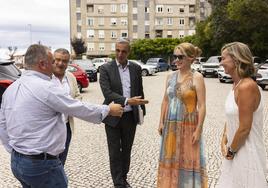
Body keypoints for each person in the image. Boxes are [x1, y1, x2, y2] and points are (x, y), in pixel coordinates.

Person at [0, 44, 123, 188]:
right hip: (42, 165)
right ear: (42, 64)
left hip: (18, 162)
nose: (55, 65)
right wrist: (107, 109)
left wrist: (16, 151)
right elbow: (76, 107)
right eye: (52, 61)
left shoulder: (12, 88)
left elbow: (2, 124)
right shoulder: (46, 87)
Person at [216, 42, 268, 188]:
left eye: (223, 58)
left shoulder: (247, 87)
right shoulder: (236, 84)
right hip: (236, 150)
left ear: (236, 60)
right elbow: (233, 115)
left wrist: (231, 151)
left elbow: (245, 127)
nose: (220, 63)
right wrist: (224, 136)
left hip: (246, 152)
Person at [99, 38, 149, 188]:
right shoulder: (105, 68)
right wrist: (127, 100)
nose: (120, 54)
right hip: (113, 116)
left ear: (129, 52)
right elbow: (107, 93)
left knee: (126, 150)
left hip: (130, 117)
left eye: (124, 51)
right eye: (118, 50)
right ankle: (118, 183)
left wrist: (141, 111)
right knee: (114, 151)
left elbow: (139, 90)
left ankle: (123, 178)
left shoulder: (135, 68)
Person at [157, 42, 208, 188]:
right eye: (175, 56)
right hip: (170, 126)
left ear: (191, 58)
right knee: (171, 158)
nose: (176, 60)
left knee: (188, 159)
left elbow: (202, 105)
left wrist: (199, 129)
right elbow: (165, 100)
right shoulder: (170, 76)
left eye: (181, 57)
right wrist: (161, 122)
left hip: (189, 126)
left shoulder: (197, 77)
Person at [51, 48, 81, 166]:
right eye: (57, 60)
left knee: (61, 161)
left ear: (68, 62)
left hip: (66, 126)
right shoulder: (45, 77)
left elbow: (78, 95)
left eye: (64, 61)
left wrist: (73, 105)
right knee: (49, 162)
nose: (60, 63)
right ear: (52, 60)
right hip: (50, 129)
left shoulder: (71, 77)